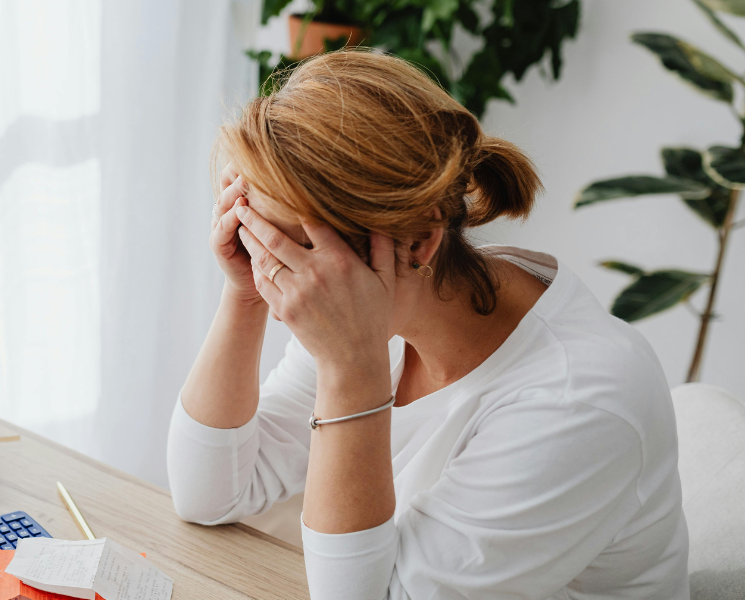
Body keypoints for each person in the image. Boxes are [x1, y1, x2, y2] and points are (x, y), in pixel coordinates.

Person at [167, 49, 689, 599]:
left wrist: (351, 368)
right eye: (254, 241)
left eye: (290, 252)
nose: (283, 291)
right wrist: (242, 293)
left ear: (418, 240)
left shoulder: (576, 403)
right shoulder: (391, 297)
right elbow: (209, 495)